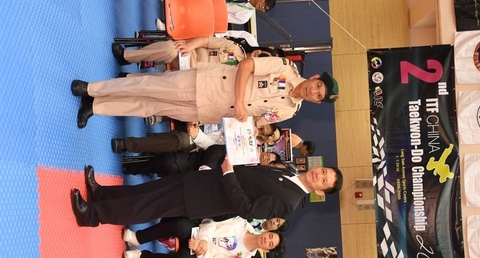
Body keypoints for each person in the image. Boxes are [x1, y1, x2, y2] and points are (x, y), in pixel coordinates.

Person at [71, 56, 340, 128]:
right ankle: (91, 88)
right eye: (318, 86)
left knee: (150, 108)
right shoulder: (285, 68)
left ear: (316, 102)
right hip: (209, 83)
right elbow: (247, 65)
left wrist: (248, 130)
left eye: (318, 96)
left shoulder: (290, 111)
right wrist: (239, 101)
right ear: (315, 78)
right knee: (148, 86)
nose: (314, 92)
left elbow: (259, 121)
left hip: (209, 111)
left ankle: (95, 107)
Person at [70, 160, 343, 226]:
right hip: (204, 181)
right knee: (146, 190)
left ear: (320, 191)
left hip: (206, 198)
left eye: (324, 180)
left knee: (147, 206)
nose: (319, 175)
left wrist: (229, 175)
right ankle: (102, 195)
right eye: (324, 171)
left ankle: (93, 216)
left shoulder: (290, 202)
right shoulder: (289, 170)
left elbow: (249, 211)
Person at [121, 216, 282, 258]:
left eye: (270, 244)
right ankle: (137, 238)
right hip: (199, 232)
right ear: (267, 232)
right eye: (270, 236)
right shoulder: (241, 222)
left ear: (267, 250)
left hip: (200, 255)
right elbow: (212, 222)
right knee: (179, 225)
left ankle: (140, 256)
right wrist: (203, 240)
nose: (266, 240)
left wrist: (201, 250)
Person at [111, 36, 283, 71]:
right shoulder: (235, 47)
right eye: (263, 52)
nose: (259, 54)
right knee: (170, 48)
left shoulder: (242, 75)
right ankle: (127, 57)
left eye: (263, 59)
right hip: (187, 56)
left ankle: (128, 80)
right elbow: (207, 41)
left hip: (194, 78)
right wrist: (189, 45)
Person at [111, 122, 280, 154]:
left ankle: (128, 144)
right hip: (201, 121)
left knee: (181, 140)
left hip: (199, 143)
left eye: (268, 135)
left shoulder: (249, 152)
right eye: (264, 127)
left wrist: (197, 135)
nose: (261, 131)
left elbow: (217, 151)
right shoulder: (245, 119)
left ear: (269, 142)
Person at [120, 145, 282, 177]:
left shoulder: (252, 176)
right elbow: (217, 150)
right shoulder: (244, 148)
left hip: (205, 185)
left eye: (269, 160)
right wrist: (206, 168)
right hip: (199, 163)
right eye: (268, 155)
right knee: (168, 162)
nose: (266, 157)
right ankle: (136, 168)